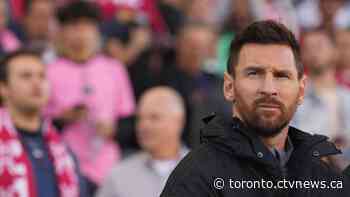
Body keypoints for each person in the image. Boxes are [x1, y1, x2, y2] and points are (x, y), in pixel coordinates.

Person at [160, 20, 350, 197]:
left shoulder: (321, 178)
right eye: (254, 73)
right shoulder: (196, 177)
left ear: (301, 91)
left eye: (282, 75)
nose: (268, 89)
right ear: (229, 87)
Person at [45, 1, 135, 192]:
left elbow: (128, 120)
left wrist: (113, 130)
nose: (81, 33)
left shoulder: (114, 69)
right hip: (64, 167)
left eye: (87, 26)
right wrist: (63, 119)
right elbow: (38, 123)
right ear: (62, 32)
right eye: (74, 26)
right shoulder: (48, 72)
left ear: (97, 31)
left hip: (108, 168)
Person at [0, 49, 86, 197]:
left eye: (42, 76)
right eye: (25, 76)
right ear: (3, 88)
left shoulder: (62, 149)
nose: (37, 83)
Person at [97, 86, 189, 197]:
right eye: (139, 118)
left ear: (179, 121)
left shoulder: (205, 172)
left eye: (154, 117)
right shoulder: (119, 177)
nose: (143, 126)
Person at [292, 29, 350, 148]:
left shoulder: (346, 95)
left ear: (334, 51)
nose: (314, 52)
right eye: (308, 48)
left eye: (319, 45)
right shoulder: (295, 98)